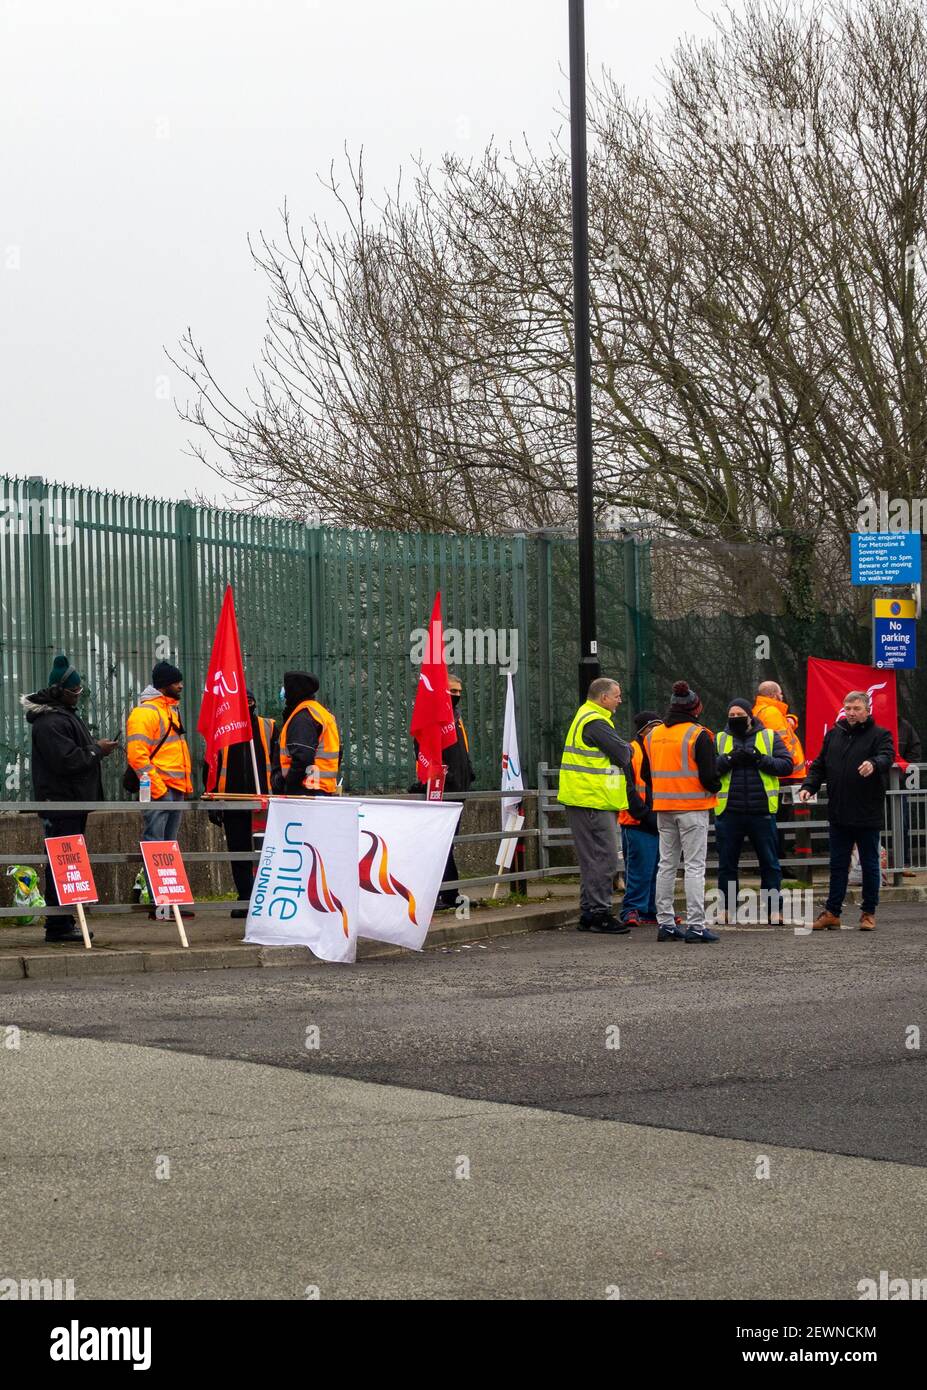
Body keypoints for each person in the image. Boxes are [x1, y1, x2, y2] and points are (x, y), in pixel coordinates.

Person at [21, 654, 118, 943]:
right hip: (61, 805)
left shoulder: (60, 716)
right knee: (62, 863)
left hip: (70, 804)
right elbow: (66, 761)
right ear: (59, 691)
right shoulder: (50, 722)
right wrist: (96, 750)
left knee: (66, 864)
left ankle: (63, 921)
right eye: (74, 691)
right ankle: (58, 924)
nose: (78, 695)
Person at [799, 690, 894, 931]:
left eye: (857, 709)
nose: (851, 713)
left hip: (866, 812)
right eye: (848, 708)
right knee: (838, 865)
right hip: (839, 812)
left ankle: (868, 913)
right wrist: (809, 786)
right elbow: (820, 765)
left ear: (867, 710)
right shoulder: (834, 734)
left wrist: (873, 763)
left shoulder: (880, 735)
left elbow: (887, 756)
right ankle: (832, 912)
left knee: (870, 864)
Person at [644, 680, 721, 943]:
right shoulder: (699, 734)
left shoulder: (653, 735)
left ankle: (665, 923)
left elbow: (646, 774)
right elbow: (710, 776)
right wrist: (717, 786)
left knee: (666, 865)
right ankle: (696, 926)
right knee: (694, 867)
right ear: (695, 709)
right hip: (693, 808)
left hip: (663, 807)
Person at [557, 676, 633, 935]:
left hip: (586, 798)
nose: (620, 700)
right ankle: (599, 913)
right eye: (617, 695)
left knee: (593, 859)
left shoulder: (586, 716)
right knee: (604, 858)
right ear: (603, 698)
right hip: (592, 799)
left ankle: (590, 912)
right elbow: (623, 754)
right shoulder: (595, 721)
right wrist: (629, 749)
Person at [714, 698, 793, 924]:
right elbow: (709, 770)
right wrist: (729, 759)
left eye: (740, 714)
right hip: (729, 811)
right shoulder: (720, 738)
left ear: (750, 715)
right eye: (732, 715)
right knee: (727, 864)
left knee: (770, 863)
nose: (736, 718)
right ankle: (727, 909)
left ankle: (773, 910)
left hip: (762, 811)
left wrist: (760, 759)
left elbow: (786, 764)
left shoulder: (768, 736)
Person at [127, 661, 194, 919]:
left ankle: (168, 901)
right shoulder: (146, 713)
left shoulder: (168, 710)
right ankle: (162, 902)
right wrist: (159, 788)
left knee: (167, 846)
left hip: (171, 789)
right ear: (165, 685)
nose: (181, 685)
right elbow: (137, 756)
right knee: (157, 845)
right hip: (162, 789)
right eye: (177, 682)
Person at [205, 690, 274, 918]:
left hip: (263, 802)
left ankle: (265, 897)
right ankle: (245, 896)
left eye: (250, 701)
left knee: (264, 852)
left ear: (254, 703)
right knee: (238, 851)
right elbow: (211, 767)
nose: (247, 706)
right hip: (232, 801)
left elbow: (280, 762)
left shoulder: (269, 727)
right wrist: (212, 800)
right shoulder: (222, 730)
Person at [410, 673, 475, 909]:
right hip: (443, 790)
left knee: (447, 843)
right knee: (441, 843)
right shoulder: (435, 719)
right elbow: (426, 751)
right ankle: (445, 893)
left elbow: (461, 754)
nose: (455, 696)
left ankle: (448, 893)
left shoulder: (456, 719)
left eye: (458, 692)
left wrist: (468, 775)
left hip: (458, 790)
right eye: (451, 691)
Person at [617, 710, 662, 926]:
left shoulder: (659, 752)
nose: (657, 732)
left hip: (658, 818)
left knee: (656, 870)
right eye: (653, 727)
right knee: (639, 870)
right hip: (637, 820)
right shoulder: (631, 751)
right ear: (643, 730)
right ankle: (632, 909)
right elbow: (627, 788)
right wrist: (645, 814)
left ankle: (650, 910)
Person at [272, 671, 340, 796]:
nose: (284, 693)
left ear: (294, 691)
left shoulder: (303, 717)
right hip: (319, 788)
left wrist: (289, 786)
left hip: (306, 791)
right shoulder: (320, 712)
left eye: (286, 688)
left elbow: (302, 758)